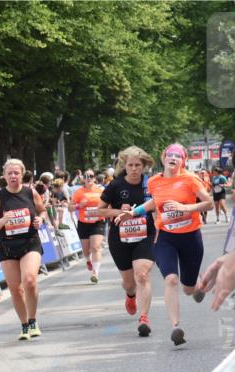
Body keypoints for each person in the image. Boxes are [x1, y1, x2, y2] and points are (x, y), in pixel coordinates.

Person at [118, 143, 212, 346]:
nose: (173, 158)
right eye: (170, 155)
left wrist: (185, 208)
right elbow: (155, 202)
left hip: (190, 237)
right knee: (170, 279)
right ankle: (176, 327)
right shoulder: (153, 182)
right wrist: (134, 212)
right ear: (163, 158)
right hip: (165, 238)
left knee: (187, 289)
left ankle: (197, 284)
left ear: (183, 161)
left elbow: (209, 203)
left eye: (178, 156)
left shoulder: (190, 179)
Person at [99, 146, 156, 337]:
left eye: (137, 165)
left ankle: (144, 318)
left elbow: (159, 205)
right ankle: (131, 295)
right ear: (125, 165)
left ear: (144, 165)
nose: (133, 169)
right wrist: (118, 212)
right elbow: (100, 210)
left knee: (142, 275)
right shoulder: (116, 185)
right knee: (129, 283)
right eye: (130, 165)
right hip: (120, 239)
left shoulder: (150, 185)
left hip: (145, 236)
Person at [0, 158, 47, 340]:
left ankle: (33, 320)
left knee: (29, 280)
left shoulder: (31, 193)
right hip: (7, 245)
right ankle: (24, 325)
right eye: (9, 173)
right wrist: (4, 220)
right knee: (15, 288)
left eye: (16, 173)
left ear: (22, 174)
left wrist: (41, 219)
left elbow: (42, 210)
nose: (13, 176)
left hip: (30, 241)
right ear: (4, 176)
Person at [72, 169, 107, 283]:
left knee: (95, 247)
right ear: (83, 178)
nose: (89, 178)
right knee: (86, 250)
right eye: (86, 176)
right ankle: (88, 260)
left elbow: (108, 203)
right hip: (83, 223)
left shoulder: (101, 190)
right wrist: (79, 206)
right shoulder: (79, 192)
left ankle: (95, 273)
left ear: (95, 178)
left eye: (91, 176)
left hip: (98, 222)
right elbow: (69, 207)